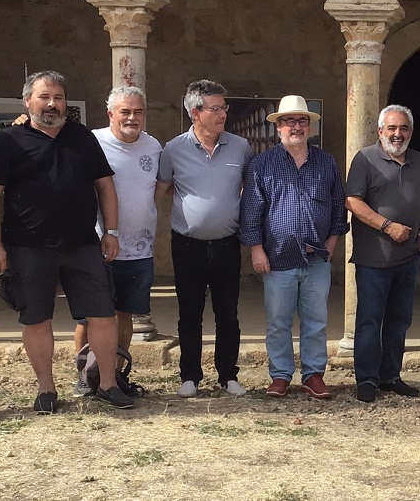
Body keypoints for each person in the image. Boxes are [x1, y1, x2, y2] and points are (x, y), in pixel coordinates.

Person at [0, 70, 132, 413]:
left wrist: (111, 232)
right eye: (44, 97)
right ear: (27, 101)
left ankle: (108, 384)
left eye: (59, 97)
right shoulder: (10, 141)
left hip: (83, 244)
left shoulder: (82, 137)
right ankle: (46, 390)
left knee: (102, 315)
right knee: (36, 318)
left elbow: (105, 185)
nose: (52, 104)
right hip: (27, 246)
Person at [240, 95, 347, 400]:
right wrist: (256, 250)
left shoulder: (326, 162)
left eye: (302, 121)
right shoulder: (262, 164)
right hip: (277, 258)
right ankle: (280, 375)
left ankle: (313, 375)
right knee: (278, 322)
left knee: (316, 321)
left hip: (317, 259)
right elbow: (251, 211)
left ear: (310, 127)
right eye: (289, 121)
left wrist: (331, 243)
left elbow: (339, 206)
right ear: (278, 128)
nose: (296, 127)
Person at [157, 80, 253, 398]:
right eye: (216, 108)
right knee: (190, 313)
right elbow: (163, 189)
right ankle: (190, 377)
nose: (223, 113)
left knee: (228, 313)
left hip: (227, 243)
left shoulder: (241, 147)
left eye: (224, 107)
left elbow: (250, 191)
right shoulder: (173, 149)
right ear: (195, 112)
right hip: (187, 245)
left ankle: (228, 376)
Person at [68, 86, 161, 396]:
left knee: (125, 315)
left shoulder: (154, 147)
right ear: (111, 114)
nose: (132, 117)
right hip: (97, 247)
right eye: (125, 111)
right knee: (89, 317)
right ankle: (85, 375)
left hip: (140, 249)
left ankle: (114, 376)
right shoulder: (92, 142)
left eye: (138, 111)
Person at [346, 104, 420, 403]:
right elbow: (353, 201)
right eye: (392, 128)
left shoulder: (419, 160)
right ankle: (366, 380)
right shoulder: (365, 159)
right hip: (374, 258)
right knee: (370, 320)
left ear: (411, 131)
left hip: (408, 257)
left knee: (399, 319)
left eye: (403, 128)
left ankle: (390, 376)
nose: (398, 134)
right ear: (380, 131)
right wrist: (387, 226)